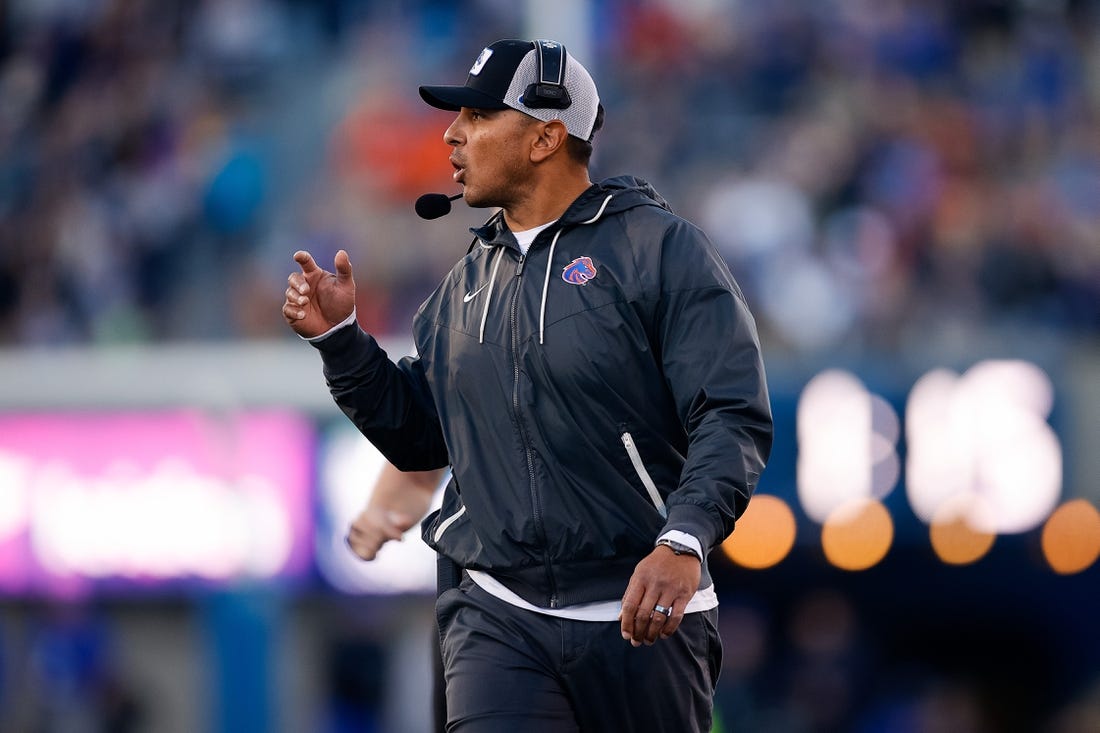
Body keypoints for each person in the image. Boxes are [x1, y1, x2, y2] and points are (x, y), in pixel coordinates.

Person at [284, 38, 773, 733]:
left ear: (545, 136)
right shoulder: (462, 285)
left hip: (642, 609)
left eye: (479, 117)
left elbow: (730, 413)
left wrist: (685, 538)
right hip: (496, 610)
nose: (453, 134)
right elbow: (423, 434)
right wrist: (342, 344)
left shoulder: (660, 250)